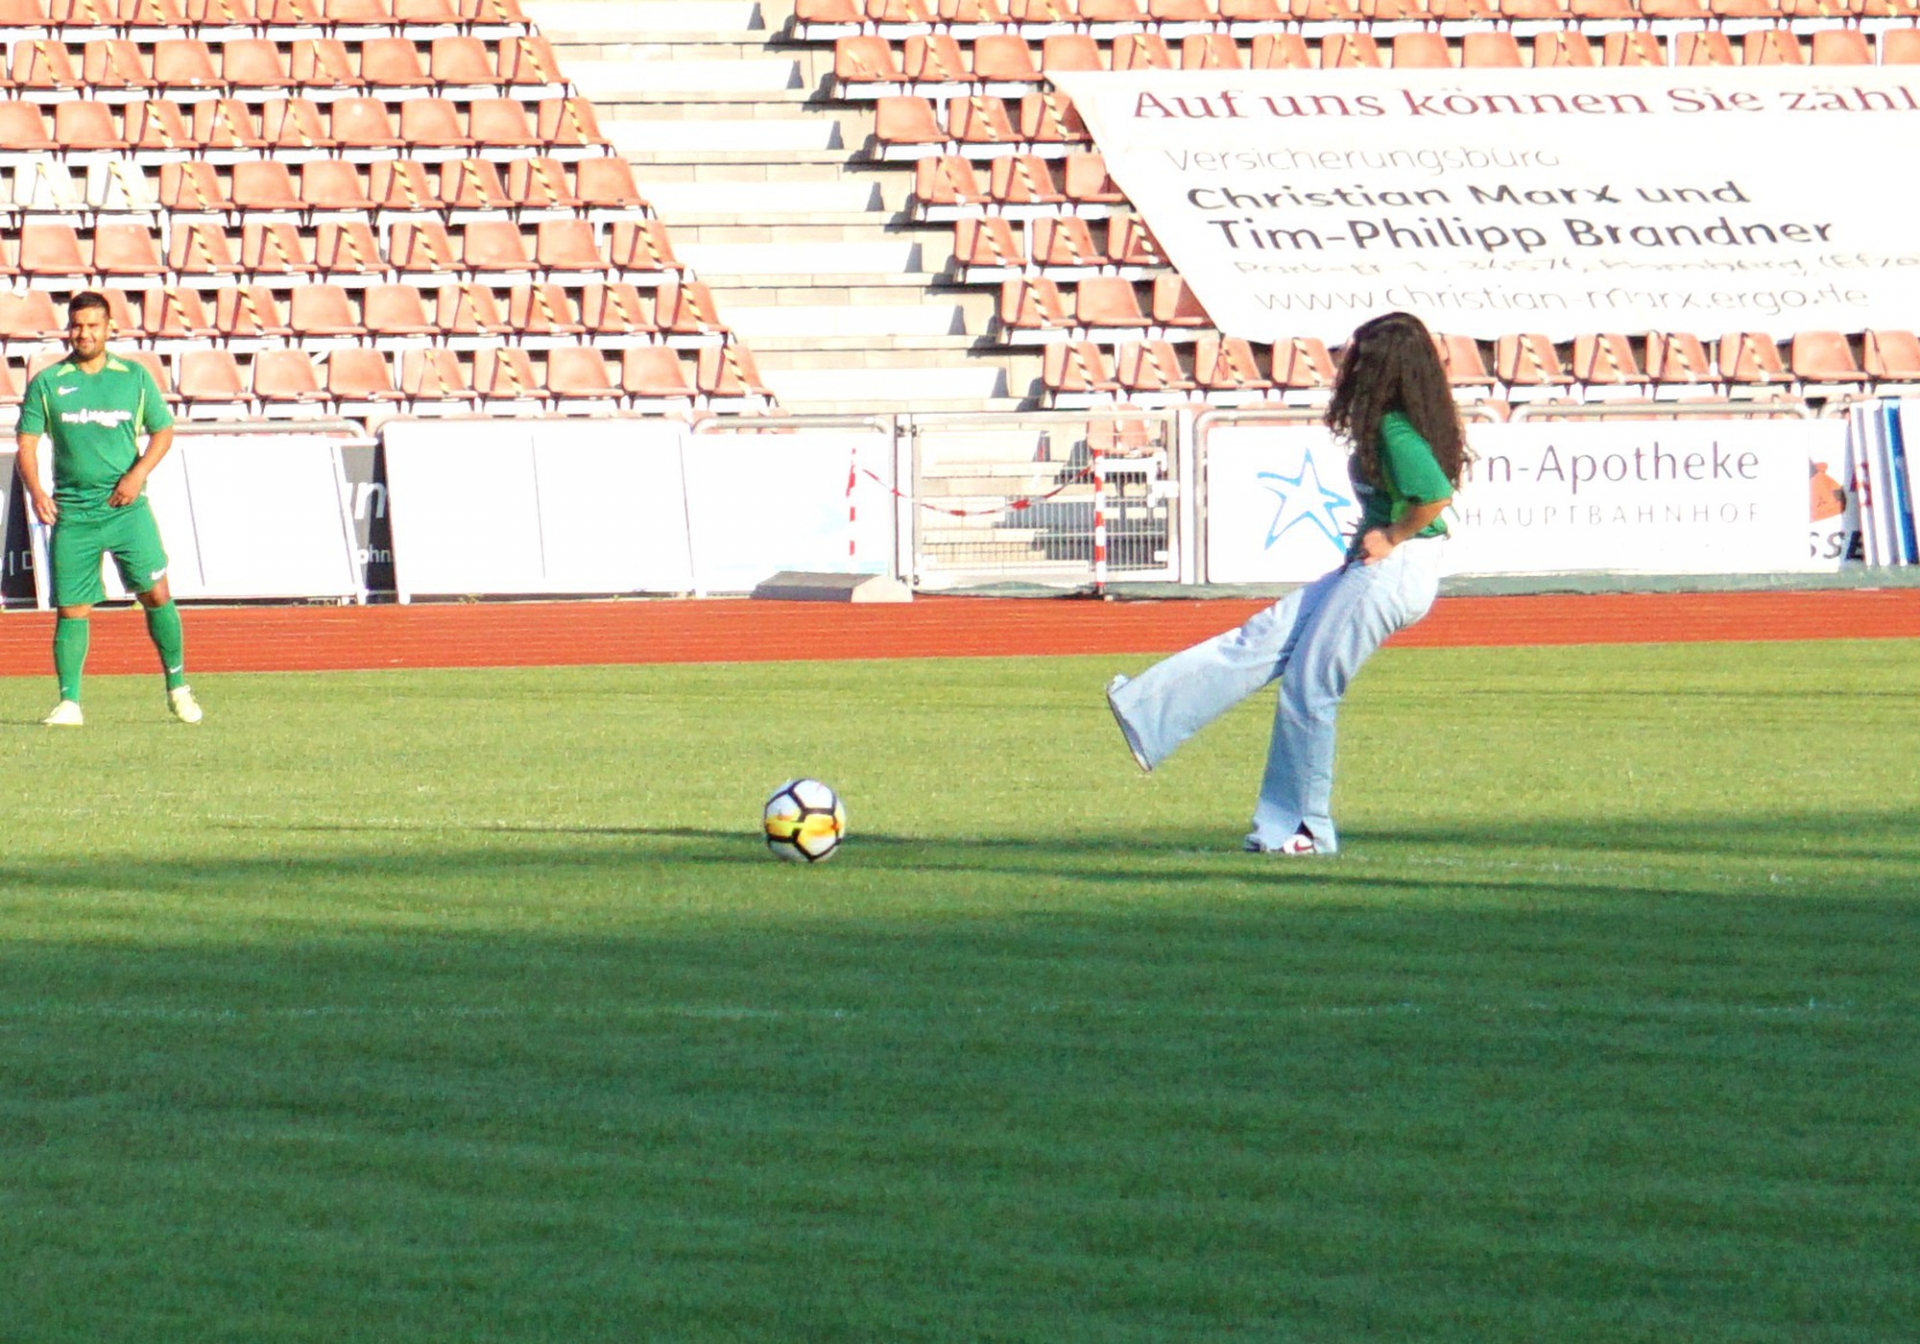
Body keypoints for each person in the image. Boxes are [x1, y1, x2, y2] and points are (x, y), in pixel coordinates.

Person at [1104, 310, 1467, 855]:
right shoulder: (1396, 423)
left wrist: (1391, 535)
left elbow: (1434, 497)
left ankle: (1303, 829)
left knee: (1309, 688)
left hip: (1394, 570)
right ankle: (1147, 712)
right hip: (1381, 567)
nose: (1347, 364)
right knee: (1263, 636)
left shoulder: (1393, 428)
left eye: (1359, 356)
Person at [15, 291, 203, 727]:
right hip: (74, 513)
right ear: (69, 328)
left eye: (93, 326)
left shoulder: (133, 377)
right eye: (77, 325)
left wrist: (137, 475)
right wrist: (37, 492)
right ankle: (69, 703)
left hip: (126, 510)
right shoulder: (49, 382)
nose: (84, 333)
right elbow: (27, 444)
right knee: (72, 608)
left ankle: (177, 687)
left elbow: (162, 431)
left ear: (108, 328)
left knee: (156, 593)